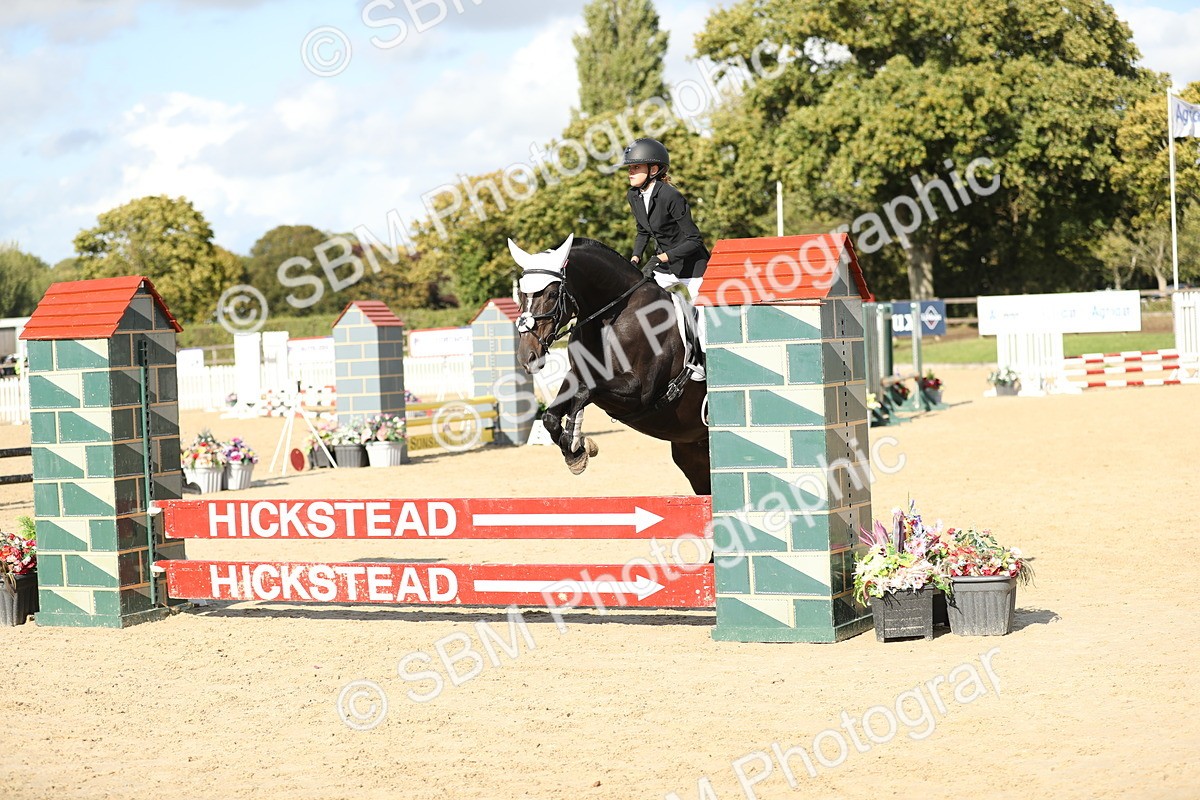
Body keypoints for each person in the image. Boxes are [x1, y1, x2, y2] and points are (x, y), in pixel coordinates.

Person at [623, 138, 709, 301]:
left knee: (702, 315)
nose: (630, 172)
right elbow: (642, 231)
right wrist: (635, 258)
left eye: (636, 167)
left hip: (693, 267)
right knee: (640, 300)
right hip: (665, 267)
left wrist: (659, 258)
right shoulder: (633, 195)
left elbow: (695, 240)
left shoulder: (670, 195)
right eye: (629, 168)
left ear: (653, 169)